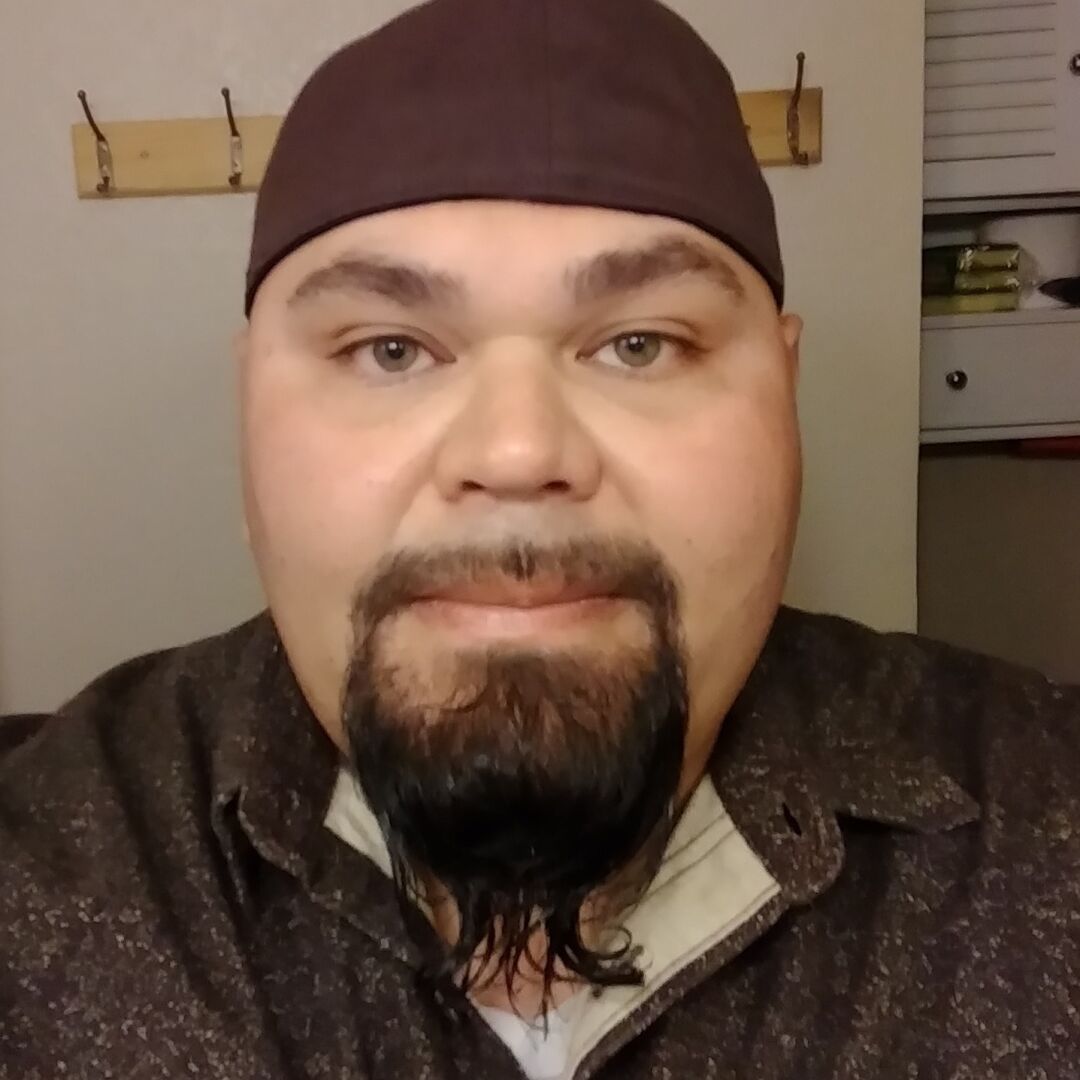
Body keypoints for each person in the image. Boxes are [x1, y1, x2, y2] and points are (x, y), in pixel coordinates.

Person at [2, 0, 1078, 1076]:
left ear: (786, 404)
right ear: (249, 423)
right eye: (390, 349)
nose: (517, 452)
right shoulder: (39, 882)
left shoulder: (1048, 829)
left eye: (641, 344)